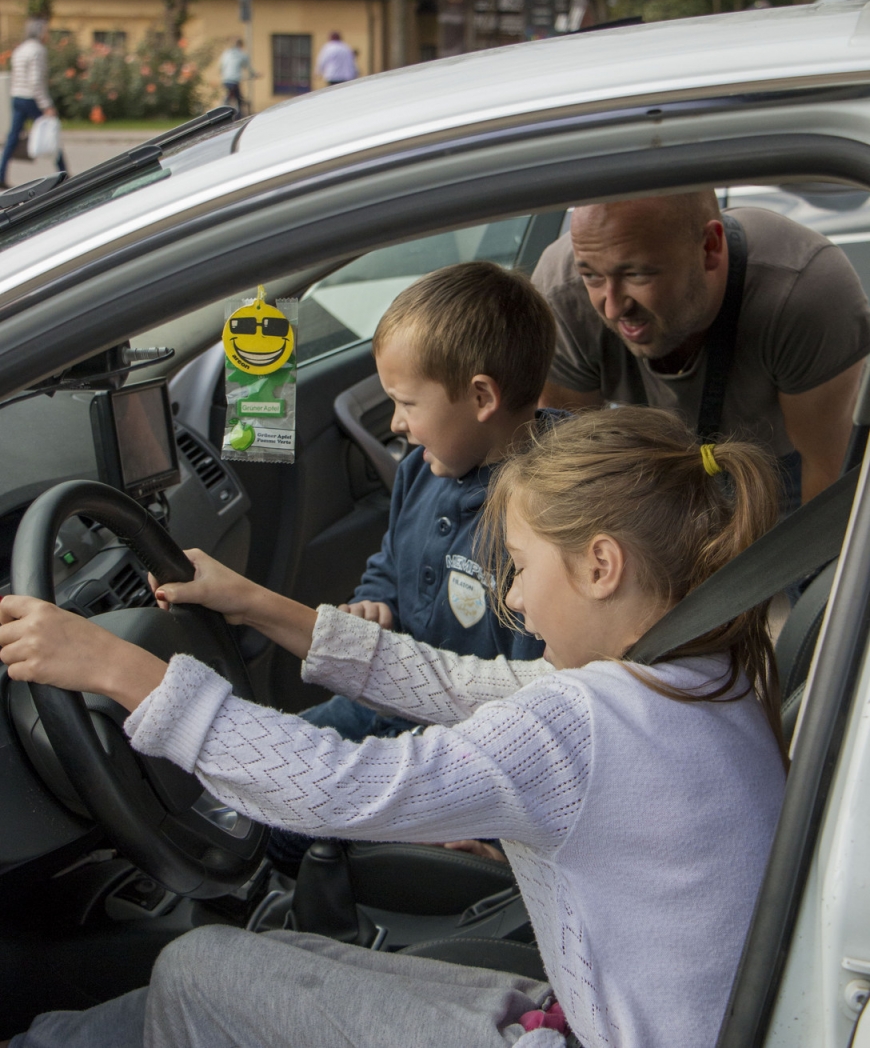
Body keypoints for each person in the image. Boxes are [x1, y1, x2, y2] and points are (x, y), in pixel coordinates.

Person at [0, 406, 786, 1048]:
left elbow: (341, 790)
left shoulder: (583, 723)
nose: (514, 598)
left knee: (194, 968)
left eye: (520, 565)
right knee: (272, 960)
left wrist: (121, 673)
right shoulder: (704, 677)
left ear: (601, 566)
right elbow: (452, 682)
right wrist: (250, 601)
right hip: (614, 1021)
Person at [271, 260, 557, 867]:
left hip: (467, 743)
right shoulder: (418, 473)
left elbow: (539, 694)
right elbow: (392, 559)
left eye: (405, 403)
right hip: (383, 701)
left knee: (296, 823)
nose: (396, 423)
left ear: (481, 397)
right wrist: (379, 601)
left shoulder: (550, 512)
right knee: (272, 765)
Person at [532, 191, 870, 506]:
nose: (611, 308)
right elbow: (571, 474)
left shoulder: (803, 292)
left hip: (781, 474)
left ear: (709, 247)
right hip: (646, 475)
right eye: (592, 276)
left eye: (636, 274)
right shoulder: (562, 294)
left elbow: (831, 480)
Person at [0, 18, 67, 189]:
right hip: (31, 98)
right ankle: (64, 172)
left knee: (12, 138)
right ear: (39, 33)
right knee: (50, 131)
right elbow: (36, 81)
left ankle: (1, 174)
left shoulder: (20, 50)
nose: (47, 35)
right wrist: (46, 105)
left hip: (17, 96)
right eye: (46, 32)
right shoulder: (38, 51)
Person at [219, 38, 256, 111]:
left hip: (226, 80)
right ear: (241, 45)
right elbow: (248, 67)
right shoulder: (242, 54)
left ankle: (225, 105)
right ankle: (238, 114)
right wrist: (254, 74)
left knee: (230, 95)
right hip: (235, 80)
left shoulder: (226, 53)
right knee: (238, 100)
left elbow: (221, 66)